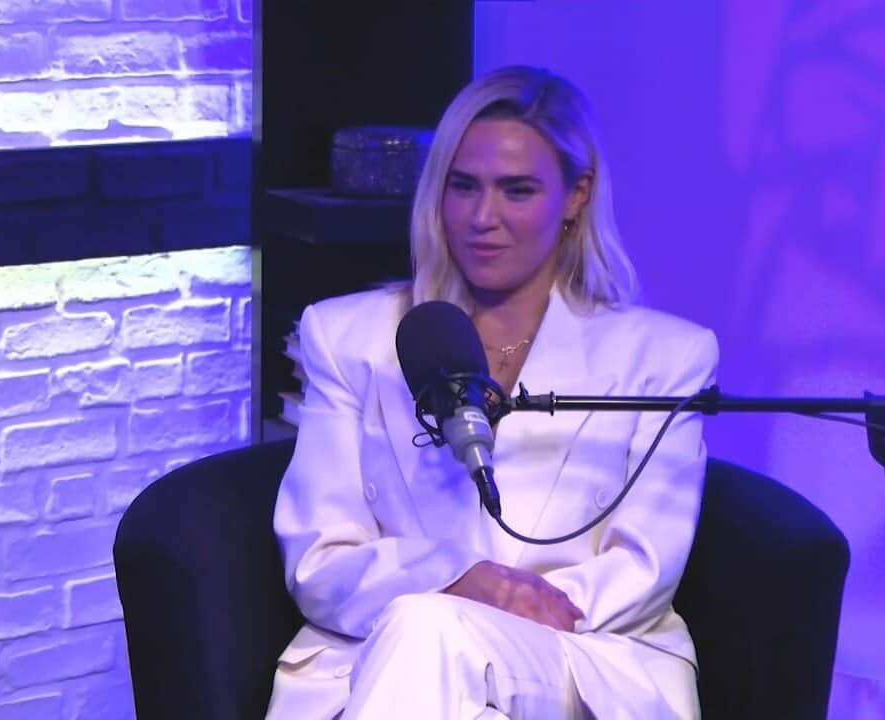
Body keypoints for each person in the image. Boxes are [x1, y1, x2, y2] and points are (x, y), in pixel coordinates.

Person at [267, 65, 718, 719]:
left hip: (578, 661)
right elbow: (320, 560)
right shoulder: (347, 338)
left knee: (429, 628)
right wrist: (460, 582)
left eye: (517, 190)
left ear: (576, 195)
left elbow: (643, 568)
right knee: (428, 638)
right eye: (464, 187)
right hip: (386, 660)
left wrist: (492, 608)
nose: (483, 218)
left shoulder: (665, 358)